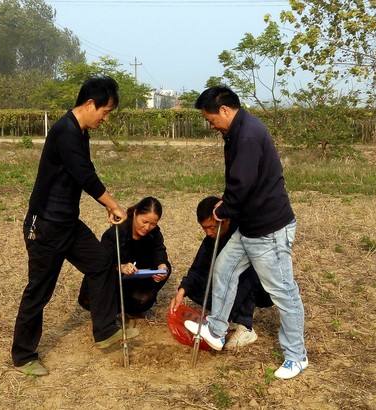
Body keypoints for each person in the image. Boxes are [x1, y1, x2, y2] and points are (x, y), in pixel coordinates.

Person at [11, 76, 138, 377]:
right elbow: (85, 176)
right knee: (39, 291)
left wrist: (105, 203)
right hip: (46, 226)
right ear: (90, 104)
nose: (105, 119)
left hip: (67, 223)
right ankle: (23, 355)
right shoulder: (65, 131)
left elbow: (85, 171)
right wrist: (112, 204)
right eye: (105, 112)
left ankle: (105, 329)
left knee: (100, 262)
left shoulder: (80, 132)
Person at [184, 86, 308, 380]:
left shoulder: (248, 134)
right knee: (224, 269)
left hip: (269, 230)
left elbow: (242, 184)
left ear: (224, 110)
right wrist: (227, 204)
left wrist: (224, 209)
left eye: (210, 118)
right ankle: (215, 330)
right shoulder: (236, 132)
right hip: (250, 227)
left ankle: (296, 355)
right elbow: (237, 185)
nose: (210, 124)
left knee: (284, 294)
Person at [169, 196, 273, 349]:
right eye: (204, 228)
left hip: (262, 286)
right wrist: (181, 291)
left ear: (224, 220)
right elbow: (197, 269)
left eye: (212, 227)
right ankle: (221, 320)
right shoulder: (211, 239)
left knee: (243, 273)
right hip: (232, 288)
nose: (208, 232)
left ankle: (245, 326)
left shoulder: (243, 233)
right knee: (197, 287)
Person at [79, 197, 171, 317]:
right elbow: (101, 263)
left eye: (153, 224)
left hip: (135, 279)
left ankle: (133, 305)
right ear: (135, 213)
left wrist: (162, 266)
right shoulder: (115, 233)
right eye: (144, 222)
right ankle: (111, 309)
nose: (147, 227)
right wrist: (120, 267)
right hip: (113, 282)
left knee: (166, 268)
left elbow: (159, 250)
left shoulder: (154, 233)